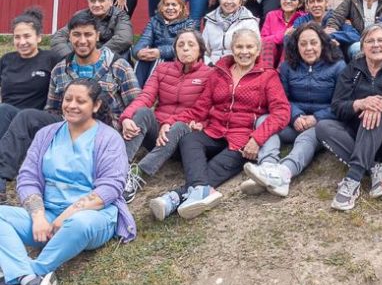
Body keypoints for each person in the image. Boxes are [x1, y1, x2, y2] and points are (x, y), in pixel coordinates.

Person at [0, 79, 136, 285]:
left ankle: (33, 269)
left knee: (79, 224)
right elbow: (28, 177)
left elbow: (110, 187)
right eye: (68, 99)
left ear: (96, 106)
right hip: (48, 215)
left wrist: (68, 214)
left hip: (93, 217)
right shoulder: (46, 134)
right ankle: (30, 281)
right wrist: (38, 215)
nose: (72, 105)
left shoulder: (109, 138)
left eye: (80, 101)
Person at [0, 11, 140, 209]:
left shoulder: (118, 66)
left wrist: (126, 119)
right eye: (76, 35)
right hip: (67, 127)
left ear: (97, 35)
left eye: (88, 34)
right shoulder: (60, 69)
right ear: (70, 37)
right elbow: (52, 108)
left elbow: (137, 102)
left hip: (104, 130)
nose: (82, 40)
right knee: (24, 116)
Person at [148, 28, 290, 221]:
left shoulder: (267, 76)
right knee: (189, 138)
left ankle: (174, 197)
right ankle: (200, 191)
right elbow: (200, 109)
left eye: (249, 47)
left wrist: (257, 139)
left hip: (242, 139)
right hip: (214, 131)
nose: (244, 51)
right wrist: (171, 122)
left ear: (258, 51)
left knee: (215, 167)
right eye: (239, 47)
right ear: (232, 49)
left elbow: (281, 111)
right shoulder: (219, 73)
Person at [242, 24, 346, 198]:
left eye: (313, 43)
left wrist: (316, 118)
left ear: (322, 44)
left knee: (308, 137)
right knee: (264, 120)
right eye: (303, 44)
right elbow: (281, 98)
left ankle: (284, 173)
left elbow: (340, 103)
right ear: (296, 46)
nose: (309, 48)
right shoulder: (287, 67)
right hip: (293, 121)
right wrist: (295, 115)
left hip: (321, 125)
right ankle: (267, 168)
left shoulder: (338, 66)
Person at [316, 25, 382, 210]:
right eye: (370, 41)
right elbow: (337, 106)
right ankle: (375, 168)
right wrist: (359, 104)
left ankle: (353, 178)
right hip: (358, 134)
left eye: (381, 40)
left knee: (373, 116)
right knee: (323, 127)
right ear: (362, 46)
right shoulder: (352, 70)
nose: (376, 45)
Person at [119, 30, 212, 199]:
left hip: (183, 134)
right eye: (180, 45)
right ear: (175, 49)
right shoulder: (163, 69)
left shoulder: (209, 74)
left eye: (191, 45)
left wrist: (199, 124)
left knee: (178, 126)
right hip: (158, 131)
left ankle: (136, 176)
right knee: (142, 112)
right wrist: (126, 118)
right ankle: (118, 169)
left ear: (200, 50)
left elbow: (205, 109)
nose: (185, 49)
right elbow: (146, 96)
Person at [0, 9, 60, 171]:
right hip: (7, 119)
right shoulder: (6, 60)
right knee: (4, 110)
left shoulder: (51, 59)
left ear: (39, 37)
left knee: (7, 111)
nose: (22, 42)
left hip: (36, 120)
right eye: (17, 37)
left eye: (27, 36)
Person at [132, 0, 198, 86]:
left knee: (159, 60)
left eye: (174, 5)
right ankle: (135, 92)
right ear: (161, 8)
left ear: (181, 8)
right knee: (143, 59)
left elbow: (183, 48)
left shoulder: (188, 24)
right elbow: (144, 39)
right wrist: (139, 52)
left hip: (176, 60)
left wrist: (160, 52)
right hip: (154, 56)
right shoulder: (154, 21)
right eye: (167, 5)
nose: (170, 8)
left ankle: (149, 93)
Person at [51, 0, 134, 62]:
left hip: (107, 55)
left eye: (101, 0)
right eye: (93, 1)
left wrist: (96, 55)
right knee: (67, 47)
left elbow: (124, 38)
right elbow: (58, 36)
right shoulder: (80, 15)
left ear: (111, 2)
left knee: (124, 51)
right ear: (88, 2)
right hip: (82, 53)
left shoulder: (120, 15)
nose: (96, 4)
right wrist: (68, 56)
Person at [202, 0, 260, 65]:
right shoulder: (210, 21)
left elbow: (255, 48)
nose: (229, 2)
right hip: (213, 66)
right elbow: (203, 51)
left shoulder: (249, 21)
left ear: (240, 2)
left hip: (237, 65)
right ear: (220, 0)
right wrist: (209, 64)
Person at [260, 0, 305, 68]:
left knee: (290, 41)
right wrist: (282, 35)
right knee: (268, 44)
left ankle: (280, 73)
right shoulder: (271, 15)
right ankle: (266, 74)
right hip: (271, 55)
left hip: (292, 57)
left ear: (300, 3)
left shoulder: (303, 18)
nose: (288, 1)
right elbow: (262, 40)